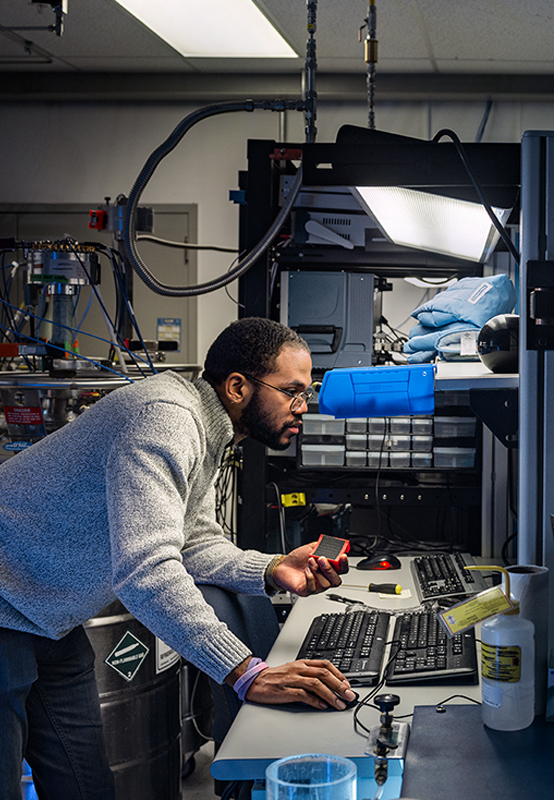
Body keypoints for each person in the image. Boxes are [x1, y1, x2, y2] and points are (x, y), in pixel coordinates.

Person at [0, 317, 356, 800]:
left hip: (48, 618)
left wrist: (273, 569)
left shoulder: (202, 428)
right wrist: (245, 671)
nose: (302, 407)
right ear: (237, 387)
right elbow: (147, 569)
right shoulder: (166, 418)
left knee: (86, 786)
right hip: (5, 603)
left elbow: (191, 542)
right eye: (292, 392)